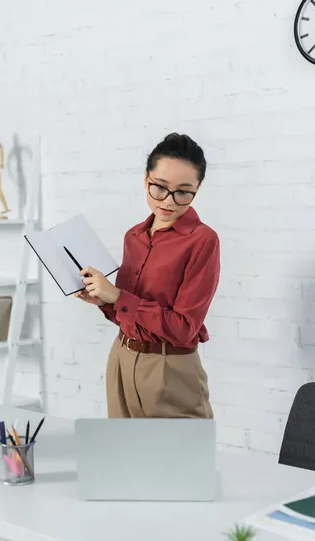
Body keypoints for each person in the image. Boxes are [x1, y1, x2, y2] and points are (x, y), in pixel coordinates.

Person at [75, 133, 220, 418]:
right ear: (146, 180)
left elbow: (183, 328)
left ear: (197, 189)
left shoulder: (202, 241)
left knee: (180, 459)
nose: (168, 201)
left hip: (170, 367)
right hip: (121, 356)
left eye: (183, 192)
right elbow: (128, 312)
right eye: (160, 188)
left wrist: (116, 296)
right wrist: (103, 301)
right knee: (124, 456)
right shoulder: (134, 236)